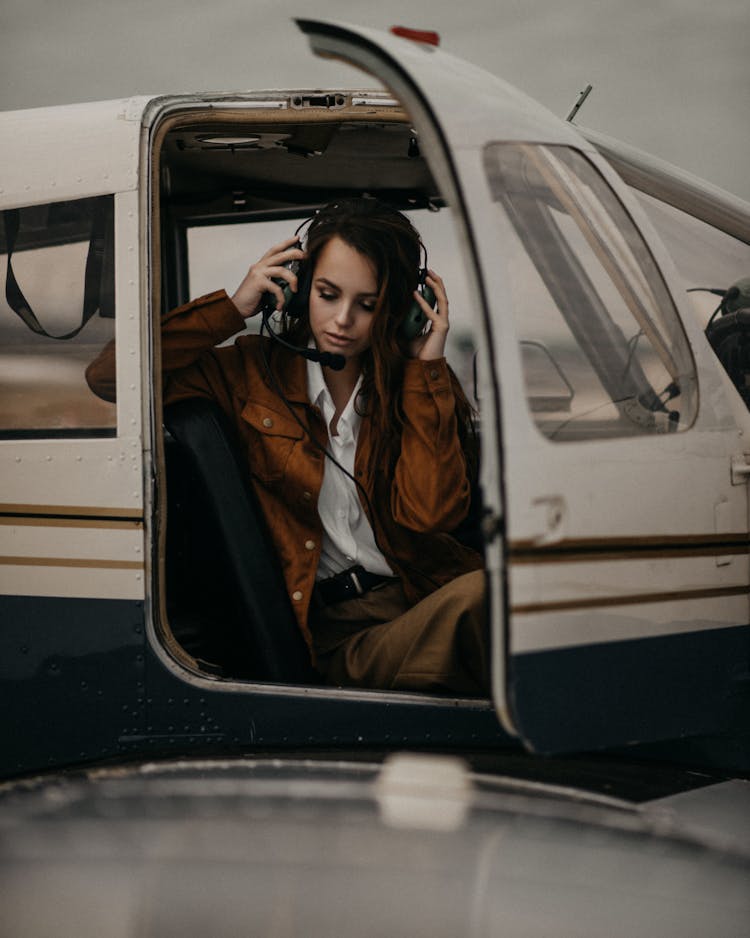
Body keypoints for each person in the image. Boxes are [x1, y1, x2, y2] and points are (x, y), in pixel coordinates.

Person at [87, 198, 489, 696]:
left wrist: (424, 367)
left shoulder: (412, 387)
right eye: (326, 293)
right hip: (338, 634)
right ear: (297, 291)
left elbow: (430, 516)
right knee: (492, 599)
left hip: (422, 600)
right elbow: (109, 376)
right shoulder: (248, 373)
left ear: (400, 311)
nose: (343, 320)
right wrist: (233, 309)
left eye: (367, 304)